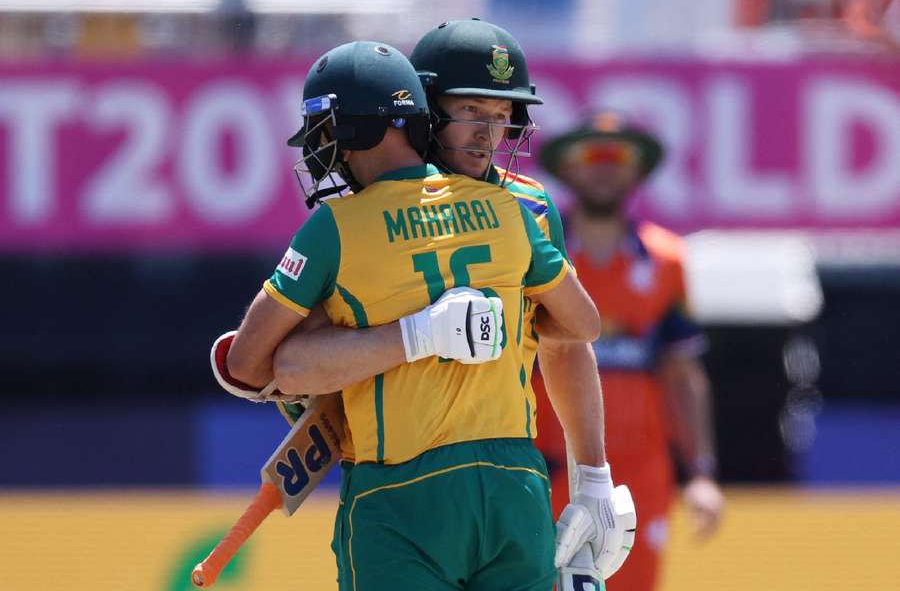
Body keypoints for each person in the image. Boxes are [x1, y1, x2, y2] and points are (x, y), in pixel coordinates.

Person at [220, 39, 605, 590]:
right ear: (424, 111)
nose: (489, 133)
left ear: (356, 130)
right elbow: (581, 326)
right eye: (471, 110)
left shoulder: (339, 226)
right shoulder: (516, 209)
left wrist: (402, 338)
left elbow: (253, 364)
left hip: (399, 490)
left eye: (500, 116)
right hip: (515, 482)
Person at [535, 112, 726, 591]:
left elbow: (683, 373)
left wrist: (701, 473)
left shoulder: (666, 261)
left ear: (638, 170)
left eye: (618, 155)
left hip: (639, 480)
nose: (604, 167)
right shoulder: (535, 252)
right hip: (544, 470)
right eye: (590, 155)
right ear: (567, 169)